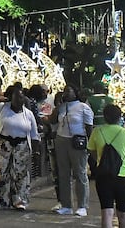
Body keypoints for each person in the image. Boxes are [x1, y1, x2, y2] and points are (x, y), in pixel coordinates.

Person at [0, 84, 39, 210]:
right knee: (1, 173)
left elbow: (34, 135)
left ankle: (19, 200)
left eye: (22, 97)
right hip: (3, 144)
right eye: (17, 97)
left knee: (20, 174)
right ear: (11, 97)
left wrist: (35, 152)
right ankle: (1, 200)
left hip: (21, 146)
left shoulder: (28, 114)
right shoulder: (2, 108)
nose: (20, 99)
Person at [88, 102, 125, 228]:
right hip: (123, 176)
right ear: (119, 117)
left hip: (103, 175)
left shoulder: (97, 131)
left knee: (106, 213)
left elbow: (92, 151)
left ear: (105, 117)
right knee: (123, 214)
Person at [54, 86, 94, 217]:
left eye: (68, 91)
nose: (65, 93)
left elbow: (89, 127)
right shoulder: (62, 107)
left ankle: (82, 205)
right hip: (61, 139)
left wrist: (90, 145)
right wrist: (58, 105)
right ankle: (66, 205)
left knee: (80, 173)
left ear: (75, 93)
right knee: (63, 174)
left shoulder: (83, 107)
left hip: (77, 141)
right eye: (64, 91)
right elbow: (53, 119)